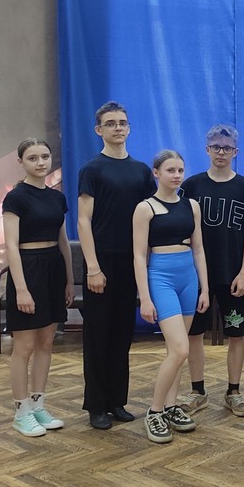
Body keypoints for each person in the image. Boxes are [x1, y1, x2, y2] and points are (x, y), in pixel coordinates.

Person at [77, 101, 155, 430]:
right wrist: (93, 267)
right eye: (111, 123)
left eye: (122, 122)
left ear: (129, 128)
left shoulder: (141, 171)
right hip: (102, 262)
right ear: (99, 130)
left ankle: (116, 401)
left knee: (123, 334)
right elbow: (83, 221)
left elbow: (151, 216)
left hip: (131, 260)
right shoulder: (92, 169)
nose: (118, 128)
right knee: (98, 334)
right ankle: (96, 405)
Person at [178, 125, 244, 420]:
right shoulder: (191, 186)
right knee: (194, 334)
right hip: (196, 276)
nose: (221, 152)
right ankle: (197, 391)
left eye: (227, 148)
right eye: (216, 147)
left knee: (236, 334)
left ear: (235, 152)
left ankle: (234, 392)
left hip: (232, 275)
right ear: (207, 149)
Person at [132, 150, 210, 443]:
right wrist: (145, 297)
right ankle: (154, 412)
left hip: (188, 277)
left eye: (180, 170)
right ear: (156, 173)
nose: (176, 175)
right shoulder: (145, 208)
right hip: (161, 277)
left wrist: (205, 288)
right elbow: (139, 256)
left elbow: (199, 249)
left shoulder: (192, 205)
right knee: (180, 349)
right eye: (170, 170)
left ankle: (170, 406)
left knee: (176, 351)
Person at [2, 138, 75, 437]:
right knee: (25, 346)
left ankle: (38, 404)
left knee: (46, 342)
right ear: (21, 162)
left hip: (53, 268)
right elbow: (10, 245)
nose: (41, 162)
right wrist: (21, 288)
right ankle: (21, 412)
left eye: (45, 156)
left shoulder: (57, 198)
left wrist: (69, 279)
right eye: (33, 158)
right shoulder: (15, 198)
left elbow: (62, 240)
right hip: (28, 269)